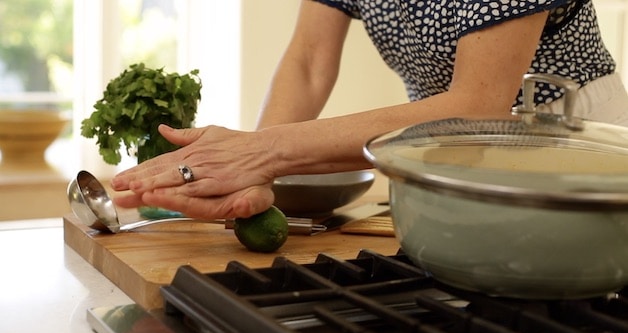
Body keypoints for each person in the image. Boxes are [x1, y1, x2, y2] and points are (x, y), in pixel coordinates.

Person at [110, 0, 628, 219]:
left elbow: (477, 105)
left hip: (568, 141)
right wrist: (250, 171)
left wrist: (262, 152)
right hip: (436, 142)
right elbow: (310, 61)